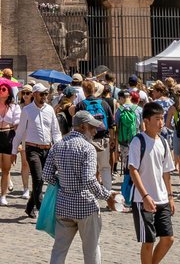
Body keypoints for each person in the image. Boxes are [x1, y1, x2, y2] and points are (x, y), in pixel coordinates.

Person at [42, 110, 116, 264]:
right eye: (92, 127)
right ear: (82, 127)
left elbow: (46, 175)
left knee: (59, 250)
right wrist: (106, 195)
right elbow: (89, 180)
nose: (95, 131)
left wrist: (62, 181)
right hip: (85, 206)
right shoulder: (87, 148)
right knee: (91, 250)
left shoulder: (58, 145)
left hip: (63, 206)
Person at [128, 102, 175, 264]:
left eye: (162, 118)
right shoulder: (138, 141)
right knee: (148, 242)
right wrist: (145, 195)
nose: (161, 122)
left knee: (168, 238)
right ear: (146, 121)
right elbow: (133, 170)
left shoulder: (163, 142)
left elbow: (166, 172)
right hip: (142, 200)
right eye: (157, 119)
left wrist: (170, 196)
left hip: (162, 198)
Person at [12, 83, 62, 219]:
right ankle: (42, 211)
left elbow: (55, 132)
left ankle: (29, 207)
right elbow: (20, 132)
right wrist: (13, 151)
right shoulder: (27, 110)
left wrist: (59, 147)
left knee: (43, 179)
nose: (44, 96)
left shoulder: (50, 110)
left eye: (46, 94)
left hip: (47, 149)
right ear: (34, 94)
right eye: (41, 94)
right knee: (38, 178)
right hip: (32, 149)